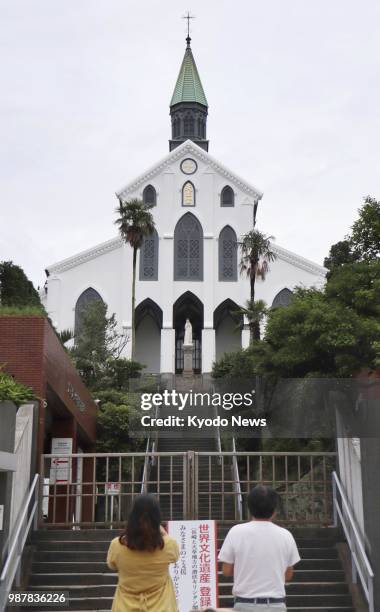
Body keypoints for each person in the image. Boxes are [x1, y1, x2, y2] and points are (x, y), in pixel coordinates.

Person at [218, 485, 300, 611]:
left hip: (244, 605)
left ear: (249, 507)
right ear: (274, 510)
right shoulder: (286, 535)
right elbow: (288, 575)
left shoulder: (236, 532)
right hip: (276, 606)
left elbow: (226, 571)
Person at [107, 494, 179, 612]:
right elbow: (175, 556)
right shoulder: (168, 545)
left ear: (132, 517)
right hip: (162, 607)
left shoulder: (117, 545)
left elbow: (111, 564)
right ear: (157, 518)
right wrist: (159, 529)